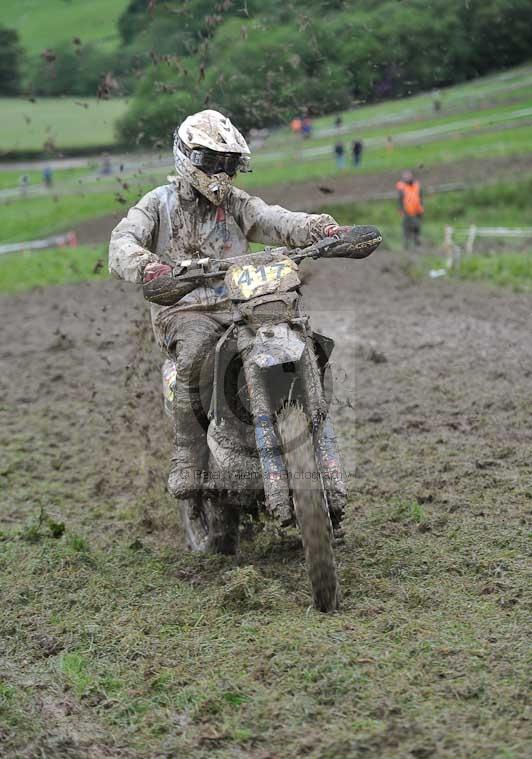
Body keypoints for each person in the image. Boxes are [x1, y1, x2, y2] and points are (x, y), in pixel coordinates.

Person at [108, 109, 341, 499]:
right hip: (184, 308)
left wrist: (320, 228)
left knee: (302, 335)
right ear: (188, 157)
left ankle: (308, 426)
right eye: (213, 162)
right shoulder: (158, 204)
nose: (221, 173)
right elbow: (122, 241)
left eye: (229, 164)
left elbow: (273, 219)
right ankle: (188, 456)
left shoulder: (235, 203)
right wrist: (147, 266)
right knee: (197, 351)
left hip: (241, 303)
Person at [396, 170, 424, 248]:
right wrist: (400, 209)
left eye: (408, 176)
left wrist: (422, 207)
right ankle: (406, 245)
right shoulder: (401, 187)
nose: (407, 178)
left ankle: (417, 244)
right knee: (407, 229)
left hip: (417, 211)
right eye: (406, 176)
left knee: (417, 228)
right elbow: (400, 199)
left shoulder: (417, 185)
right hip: (407, 211)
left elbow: (420, 197)